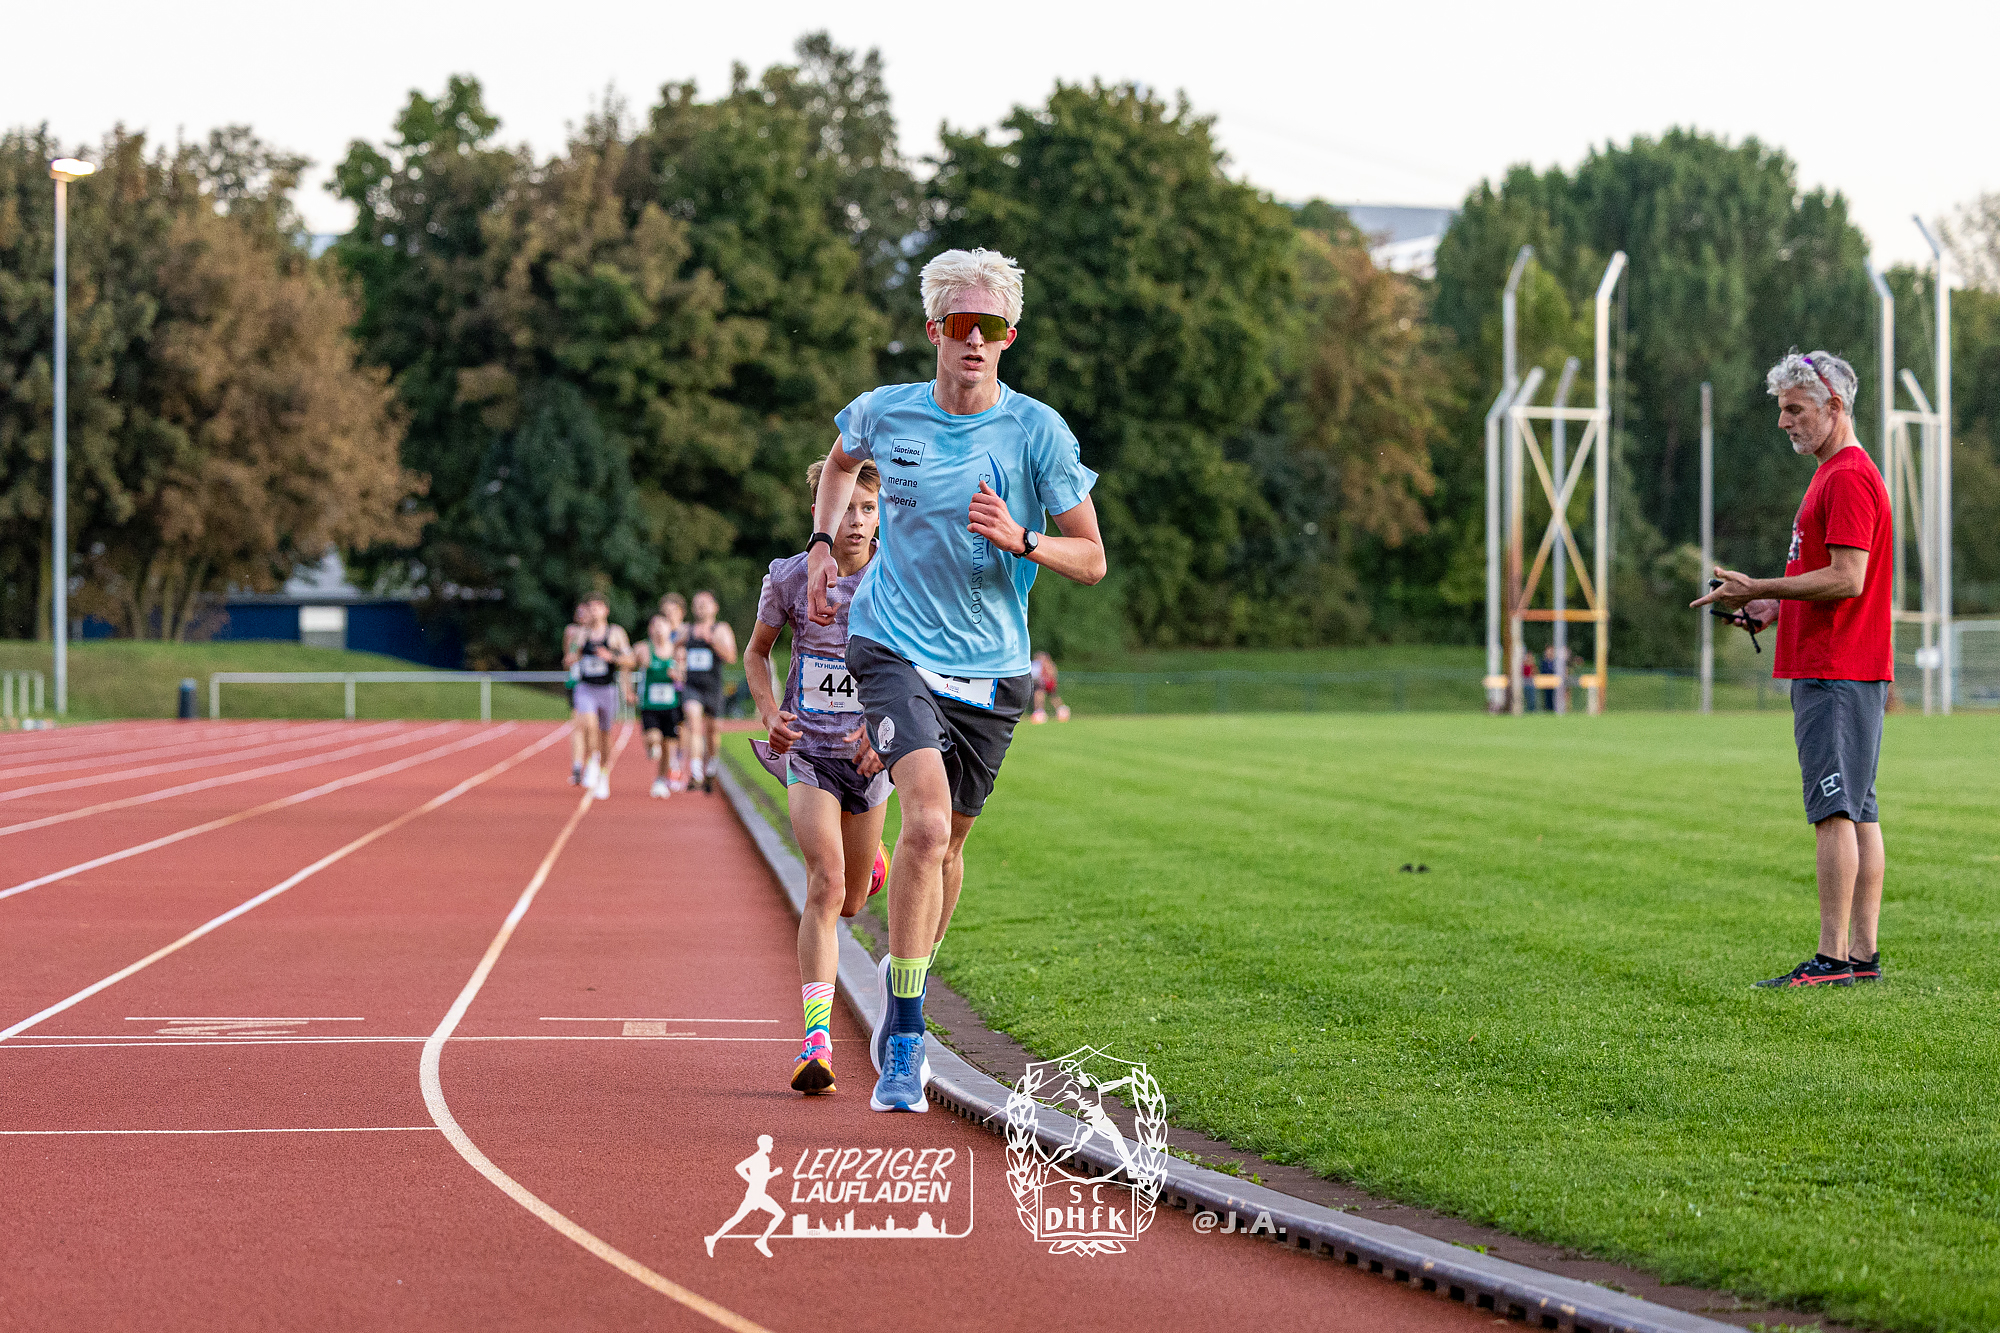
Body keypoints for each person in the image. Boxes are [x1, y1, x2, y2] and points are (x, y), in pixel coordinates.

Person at [806, 248, 1106, 1112]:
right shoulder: (886, 412)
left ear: (1010, 336)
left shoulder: (1037, 433)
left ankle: (906, 974)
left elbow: (1091, 558)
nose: (976, 340)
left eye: (993, 326)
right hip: (891, 643)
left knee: (951, 847)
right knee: (927, 823)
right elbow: (838, 464)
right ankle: (905, 1036)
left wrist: (1022, 537)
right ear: (935, 328)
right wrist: (823, 544)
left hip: (993, 666)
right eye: (962, 324)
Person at [1693, 350, 1893, 989]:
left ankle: (1832, 960)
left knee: (1833, 811)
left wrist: (1759, 584)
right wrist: (1772, 607)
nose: (1784, 422)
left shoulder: (1846, 476)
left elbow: (1848, 578)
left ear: (1834, 406)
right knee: (1858, 810)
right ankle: (1860, 956)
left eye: (1795, 410)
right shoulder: (1834, 473)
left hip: (1836, 668)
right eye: (1782, 410)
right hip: (1845, 664)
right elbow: (1828, 576)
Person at [744, 457, 893, 1094]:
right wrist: (770, 714)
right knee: (825, 885)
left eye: (868, 509)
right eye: (845, 508)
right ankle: (816, 1043)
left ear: (881, 516)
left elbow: (923, 665)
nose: (855, 521)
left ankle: (874, 863)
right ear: (820, 514)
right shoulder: (789, 577)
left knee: (853, 899)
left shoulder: (897, 579)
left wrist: (886, 733)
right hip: (808, 755)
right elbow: (757, 653)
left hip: (870, 760)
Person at [562, 593, 631, 801]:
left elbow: (629, 660)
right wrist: (574, 656)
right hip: (586, 688)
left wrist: (611, 657)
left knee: (605, 735)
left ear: (605, 610)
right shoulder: (580, 634)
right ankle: (592, 760)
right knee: (588, 724)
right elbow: (569, 659)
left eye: (597, 607)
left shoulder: (615, 633)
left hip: (607, 689)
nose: (593, 611)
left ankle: (603, 774)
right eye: (590, 607)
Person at [679, 591, 737, 794]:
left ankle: (711, 764)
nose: (701, 607)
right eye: (697, 603)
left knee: (713, 731)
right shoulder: (687, 630)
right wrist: (677, 660)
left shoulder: (721, 629)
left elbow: (731, 657)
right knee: (693, 724)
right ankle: (696, 772)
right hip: (692, 686)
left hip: (713, 687)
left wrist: (712, 641)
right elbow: (672, 647)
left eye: (705, 603)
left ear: (715, 607)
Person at [629, 610, 685, 800]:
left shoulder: (677, 651)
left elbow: (685, 677)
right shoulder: (643, 649)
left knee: (668, 746)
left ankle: (660, 780)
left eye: (662, 625)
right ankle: (652, 747)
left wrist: (678, 675)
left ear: (670, 628)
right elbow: (626, 666)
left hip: (671, 705)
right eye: (655, 625)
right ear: (650, 629)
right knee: (653, 738)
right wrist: (628, 690)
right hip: (649, 705)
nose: (659, 629)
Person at [704, 1135, 785, 1259]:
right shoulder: (758, 1158)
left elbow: (762, 1177)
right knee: (739, 1218)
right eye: (770, 1144)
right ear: (764, 1145)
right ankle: (713, 1239)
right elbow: (739, 1167)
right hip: (754, 1195)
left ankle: (713, 1239)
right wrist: (750, 1179)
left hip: (759, 1194)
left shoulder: (764, 1158)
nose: (772, 1146)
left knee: (739, 1218)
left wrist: (773, 1174)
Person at [650, 594, 691, 790]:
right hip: (666, 689)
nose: (669, 615)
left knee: (682, 727)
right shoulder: (660, 632)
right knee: (670, 731)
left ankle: (679, 762)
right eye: (665, 612)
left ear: (681, 612)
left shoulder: (687, 631)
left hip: (685, 685)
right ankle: (672, 764)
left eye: (673, 611)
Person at [562, 600, 590, 785]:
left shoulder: (600, 633)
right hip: (576, 683)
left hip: (595, 684)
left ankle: (592, 764)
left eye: (585, 612)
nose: (582, 616)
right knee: (578, 725)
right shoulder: (571, 631)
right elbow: (567, 658)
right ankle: (577, 767)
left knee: (592, 727)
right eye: (579, 612)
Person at [1029, 651, 1070, 724]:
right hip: (1044, 684)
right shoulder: (1043, 665)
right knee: (1043, 696)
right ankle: (1041, 711)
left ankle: (1060, 711)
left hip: (1047, 683)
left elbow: (1051, 675)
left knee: (1048, 697)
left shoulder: (1048, 665)